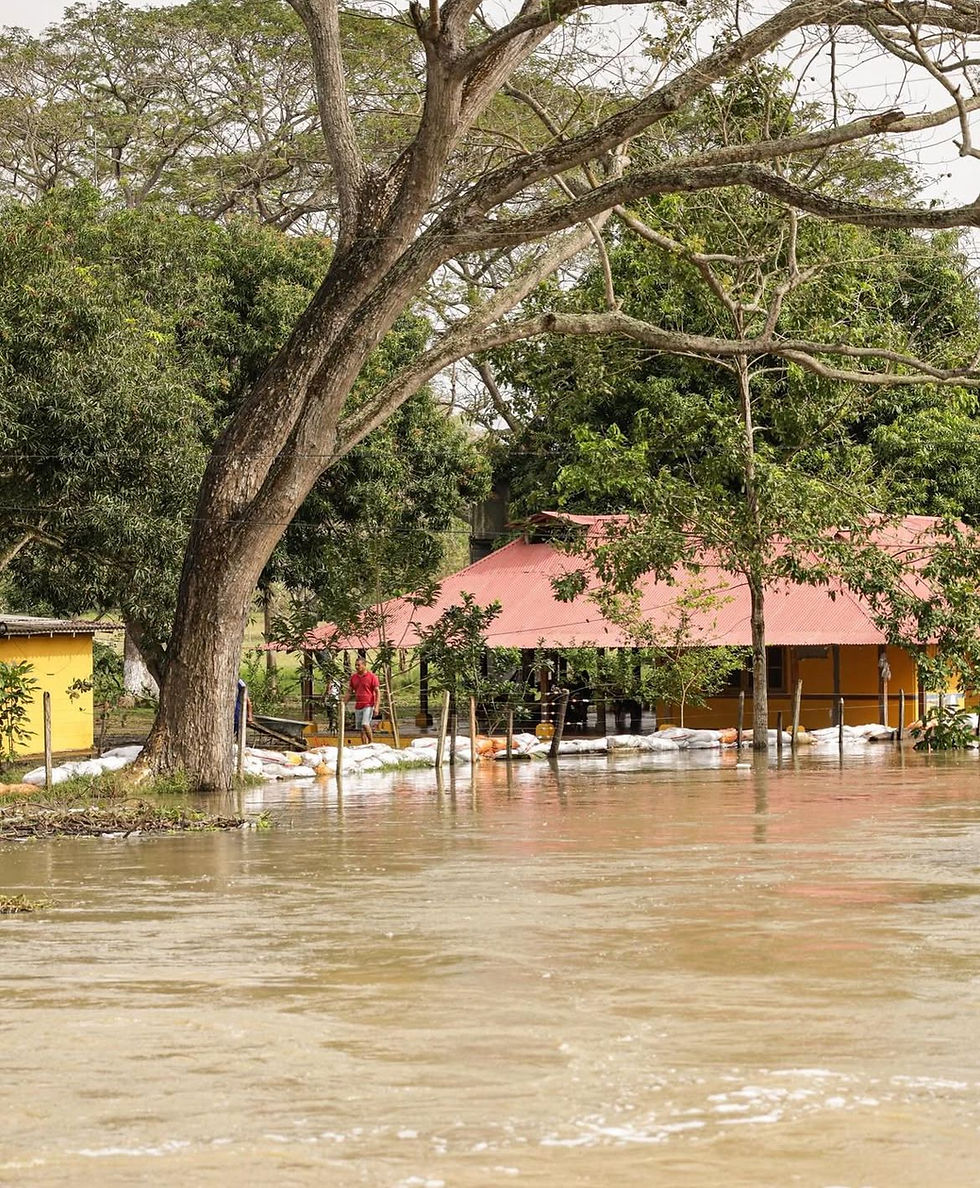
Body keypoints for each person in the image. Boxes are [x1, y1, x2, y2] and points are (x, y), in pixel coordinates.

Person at [346, 656, 380, 744]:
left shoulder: (372, 677)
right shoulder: (354, 677)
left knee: (365, 723)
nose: (357, 667)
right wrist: (344, 702)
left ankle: (371, 742)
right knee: (361, 728)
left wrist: (376, 706)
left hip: (368, 704)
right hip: (358, 705)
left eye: (359, 665)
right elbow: (350, 691)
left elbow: (377, 692)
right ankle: (364, 745)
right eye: (356, 665)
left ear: (364, 665)